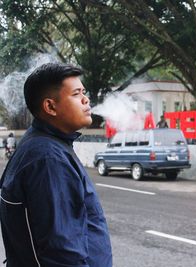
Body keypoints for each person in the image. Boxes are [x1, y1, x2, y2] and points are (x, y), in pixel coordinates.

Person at [0, 63, 112, 266]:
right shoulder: (48, 159)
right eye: (76, 94)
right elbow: (61, 252)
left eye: (84, 92)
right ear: (50, 106)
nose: (86, 100)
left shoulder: (46, 145)